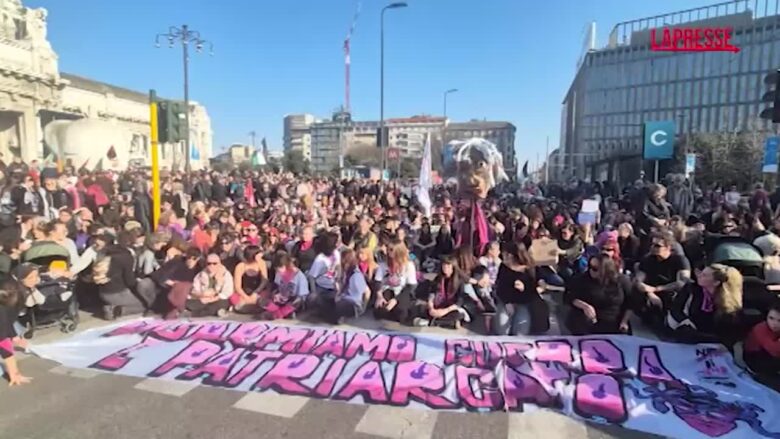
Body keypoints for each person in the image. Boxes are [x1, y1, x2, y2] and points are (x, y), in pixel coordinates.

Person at [666, 264, 743, 345]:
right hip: (691, 333)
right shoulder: (691, 288)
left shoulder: (729, 303)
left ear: (716, 282)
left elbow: (729, 333)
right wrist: (685, 321)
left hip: (715, 341)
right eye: (701, 273)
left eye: (704, 275)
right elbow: (675, 309)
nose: (699, 276)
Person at [565, 255, 634, 335]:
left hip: (614, 319)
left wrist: (624, 321)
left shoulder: (622, 281)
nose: (591, 270)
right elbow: (569, 297)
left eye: (595, 268)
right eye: (589, 266)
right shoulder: (582, 279)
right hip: (589, 319)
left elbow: (630, 303)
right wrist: (584, 306)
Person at [494, 242, 548, 336]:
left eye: (505, 254)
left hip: (524, 303)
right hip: (506, 302)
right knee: (502, 332)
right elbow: (499, 288)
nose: (502, 256)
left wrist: (526, 287)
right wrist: (507, 303)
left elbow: (537, 286)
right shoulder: (504, 267)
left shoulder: (531, 268)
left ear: (512, 255)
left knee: (520, 332)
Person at [635, 233, 690, 325]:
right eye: (652, 244)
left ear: (668, 247)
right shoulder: (648, 259)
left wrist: (657, 289)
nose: (653, 247)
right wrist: (650, 292)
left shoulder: (680, 260)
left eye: (657, 246)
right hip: (650, 292)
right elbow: (639, 279)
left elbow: (682, 282)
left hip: (670, 292)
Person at [414, 256, 466, 329]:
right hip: (438, 305)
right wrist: (431, 306)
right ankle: (445, 322)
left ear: (453, 267)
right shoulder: (438, 278)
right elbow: (432, 293)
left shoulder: (460, 281)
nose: (445, 268)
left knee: (458, 315)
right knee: (421, 308)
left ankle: (432, 322)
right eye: (444, 265)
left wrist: (444, 311)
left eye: (448, 266)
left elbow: (459, 301)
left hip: (450, 308)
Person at [373, 239, 417, 324]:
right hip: (388, 289)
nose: (388, 252)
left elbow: (411, 286)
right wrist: (379, 296)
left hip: (403, 291)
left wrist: (395, 300)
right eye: (388, 249)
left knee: (401, 315)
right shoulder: (384, 264)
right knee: (379, 311)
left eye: (391, 250)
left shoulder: (408, 265)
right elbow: (377, 281)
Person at [320, 248, 369, 324]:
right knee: (323, 300)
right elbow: (341, 288)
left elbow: (367, 291)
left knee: (336, 308)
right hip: (343, 298)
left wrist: (363, 308)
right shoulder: (346, 272)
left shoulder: (356, 274)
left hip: (352, 303)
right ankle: (338, 316)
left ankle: (339, 317)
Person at [0, 277, 31, 385]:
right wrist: (14, 373)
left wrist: (14, 337)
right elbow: (3, 342)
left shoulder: (4, 303)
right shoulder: (2, 310)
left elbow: (7, 323)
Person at [744, 299, 780, 389]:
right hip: (756, 357)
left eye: (779, 320)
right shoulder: (760, 329)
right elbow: (774, 350)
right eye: (771, 318)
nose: (774, 323)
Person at [185, 253, 233, 317]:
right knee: (187, 302)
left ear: (219, 263)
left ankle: (196, 313)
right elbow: (194, 290)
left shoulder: (226, 274)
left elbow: (227, 292)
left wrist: (214, 298)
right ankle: (216, 312)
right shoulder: (201, 274)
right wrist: (202, 295)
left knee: (222, 303)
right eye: (209, 263)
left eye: (214, 263)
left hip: (218, 299)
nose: (211, 266)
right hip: (203, 298)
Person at [231, 245, 269, 313]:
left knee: (266, 297)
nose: (261, 255)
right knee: (233, 298)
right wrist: (246, 297)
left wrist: (255, 293)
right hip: (244, 292)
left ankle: (251, 306)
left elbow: (264, 282)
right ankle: (247, 306)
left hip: (258, 291)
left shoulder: (262, 263)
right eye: (259, 254)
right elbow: (237, 286)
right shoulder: (241, 266)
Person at [462, 265, 498, 333]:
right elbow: (467, 287)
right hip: (477, 313)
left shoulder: (493, 287)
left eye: (485, 278)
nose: (484, 282)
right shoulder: (471, 288)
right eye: (481, 279)